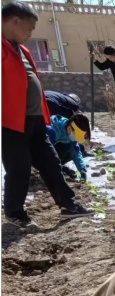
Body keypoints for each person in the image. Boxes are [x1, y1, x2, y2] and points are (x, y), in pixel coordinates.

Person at [1, 2, 92, 227]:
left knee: (50, 161)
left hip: (34, 119)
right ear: (14, 21)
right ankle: (14, 212)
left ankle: (68, 204)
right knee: (19, 166)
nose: (32, 33)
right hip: (11, 121)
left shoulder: (21, 50)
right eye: (29, 28)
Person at [46, 113, 90, 182]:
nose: (75, 139)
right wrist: (62, 168)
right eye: (75, 137)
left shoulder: (70, 130)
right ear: (69, 128)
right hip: (36, 153)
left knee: (75, 148)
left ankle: (56, 167)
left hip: (54, 150)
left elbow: (76, 152)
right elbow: (44, 155)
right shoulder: (51, 131)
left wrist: (82, 170)